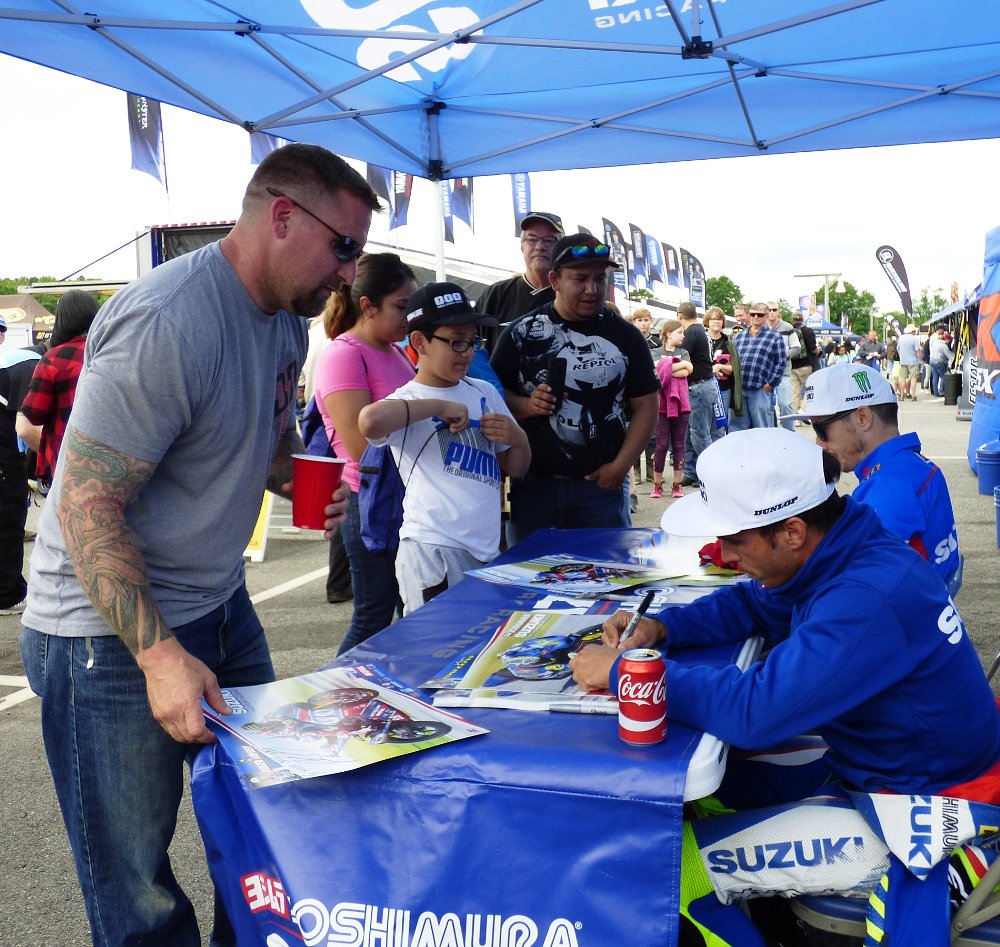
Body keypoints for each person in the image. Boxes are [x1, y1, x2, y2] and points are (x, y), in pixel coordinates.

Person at [18, 143, 368, 947]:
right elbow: (86, 498)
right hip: (105, 637)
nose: (348, 273)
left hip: (217, 601)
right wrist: (158, 657)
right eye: (342, 246)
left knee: (261, 826)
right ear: (283, 216)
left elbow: (256, 441)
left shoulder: (284, 319)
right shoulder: (169, 318)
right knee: (136, 889)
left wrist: (295, 477)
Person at [570, 428, 1000, 946]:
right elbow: (753, 604)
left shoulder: (864, 596)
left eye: (734, 539)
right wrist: (663, 629)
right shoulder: (842, 545)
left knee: (663, 867)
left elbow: (755, 714)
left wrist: (624, 674)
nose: (723, 555)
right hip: (886, 766)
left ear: (793, 532)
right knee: (705, 796)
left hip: (920, 804)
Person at [358, 283, 530, 614]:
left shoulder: (483, 391)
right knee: (434, 653)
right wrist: (436, 405)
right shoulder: (409, 398)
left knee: (476, 651)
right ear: (420, 342)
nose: (467, 351)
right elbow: (369, 422)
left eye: (473, 340)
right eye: (456, 341)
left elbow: (519, 466)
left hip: (485, 550)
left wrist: (518, 437)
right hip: (432, 550)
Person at [490, 233, 659, 543]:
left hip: (602, 491)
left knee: (609, 580)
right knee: (534, 584)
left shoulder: (626, 336)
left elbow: (648, 405)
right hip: (534, 490)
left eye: (600, 278)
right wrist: (527, 406)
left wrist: (620, 468)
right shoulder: (521, 333)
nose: (592, 289)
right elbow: (491, 398)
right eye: (580, 278)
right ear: (555, 279)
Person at [313, 253, 418, 655]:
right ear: (367, 305)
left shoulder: (393, 352)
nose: (408, 317)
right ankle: (336, 703)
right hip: (369, 500)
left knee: (408, 610)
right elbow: (360, 447)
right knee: (373, 617)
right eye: (401, 306)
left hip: (402, 497)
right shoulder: (344, 353)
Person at [785, 361, 962, 590]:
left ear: (862, 418)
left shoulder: (890, 487)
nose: (818, 443)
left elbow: (847, 584)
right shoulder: (908, 466)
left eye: (821, 430)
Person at [15, 290, 99, 488]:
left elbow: (34, 415)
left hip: (67, 464)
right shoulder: (112, 351)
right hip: (110, 463)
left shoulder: (54, 359)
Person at [299, 312, 353, 604]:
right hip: (335, 424)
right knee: (346, 503)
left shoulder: (312, 334)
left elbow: (300, 383)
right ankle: (339, 582)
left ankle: (338, 582)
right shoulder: (349, 344)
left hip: (318, 421)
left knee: (335, 502)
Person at [1, 343, 40, 615]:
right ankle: (7, 595)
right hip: (4, 455)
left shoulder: (20, 358)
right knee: (9, 521)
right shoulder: (36, 366)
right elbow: (28, 426)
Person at [477, 211, 563, 324]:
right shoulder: (496, 295)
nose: (540, 247)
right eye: (532, 239)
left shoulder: (572, 297)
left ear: (561, 248)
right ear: (522, 246)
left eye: (549, 240)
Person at [650, 319, 692, 499]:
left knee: (678, 444)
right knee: (660, 445)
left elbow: (688, 370)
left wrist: (667, 366)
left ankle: (677, 484)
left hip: (680, 404)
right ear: (668, 333)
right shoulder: (653, 352)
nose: (683, 335)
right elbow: (655, 373)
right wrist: (676, 365)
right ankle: (657, 485)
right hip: (660, 405)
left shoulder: (684, 352)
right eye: (680, 332)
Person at [730, 302, 785, 431]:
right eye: (752, 314)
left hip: (760, 389)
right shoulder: (739, 337)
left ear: (766, 316)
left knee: (762, 428)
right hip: (740, 390)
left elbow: (781, 363)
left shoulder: (775, 337)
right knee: (738, 429)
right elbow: (731, 359)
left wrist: (770, 385)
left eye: (759, 315)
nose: (755, 317)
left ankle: (765, 451)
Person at [677, 302, 715, 484]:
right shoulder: (699, 329)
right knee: (690, 433)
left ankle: (711, 472)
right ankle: (692, 471)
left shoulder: (691, 332)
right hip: (700, 386)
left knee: (699, 433)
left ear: (679, 316)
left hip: (699, 387)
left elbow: (679, 354)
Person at [704, 306, 739, 436]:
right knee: (704, 425)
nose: (716, 322)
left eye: (719, 319)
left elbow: (734, 369)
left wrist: (720, 367)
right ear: (707, 321)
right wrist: (711, 370)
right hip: (705, 388)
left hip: (723, 389)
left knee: (719, 427)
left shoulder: (728, 343)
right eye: (713, 319)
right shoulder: (701, 340)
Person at [763, 301, 796, 431]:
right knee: (767, 406)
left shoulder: (787, 327)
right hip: (765, 374)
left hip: (784, 372)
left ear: (778, 312)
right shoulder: (761, 328)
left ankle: (790, 433)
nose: (771, 312)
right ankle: (772, 433)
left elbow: (797, 348)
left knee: (785, 403)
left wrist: (782, 355)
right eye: (769, 310)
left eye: (774, 310)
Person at [788, 312, 818, 418]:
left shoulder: (789, 331)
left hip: (792, 365)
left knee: (794, 392)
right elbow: (813, 348)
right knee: (810, 388)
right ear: (802, 319)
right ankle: (803, 409)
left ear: (792, 320)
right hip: (806, 365)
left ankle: (795, 416)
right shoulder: (808, 331)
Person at [896, 322, 923, 400]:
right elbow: (918, 351)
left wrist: (902, 357)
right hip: (913, 361)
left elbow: (898, 349)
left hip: (903, 361)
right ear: (912, 331)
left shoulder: (901, 338)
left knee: (902, 378)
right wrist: (921, 360)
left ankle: (901, 396)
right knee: (913, 378)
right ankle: (913, 395)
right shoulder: (915, 339)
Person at [928, 326, 954, 397]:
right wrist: (954, 355)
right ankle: (941, 391)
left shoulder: (934, 342)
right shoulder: (943, 345)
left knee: (935, 376)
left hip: (932, 360)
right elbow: (949, 355)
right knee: (943, 376)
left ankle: (935, 392)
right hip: (938, 361)